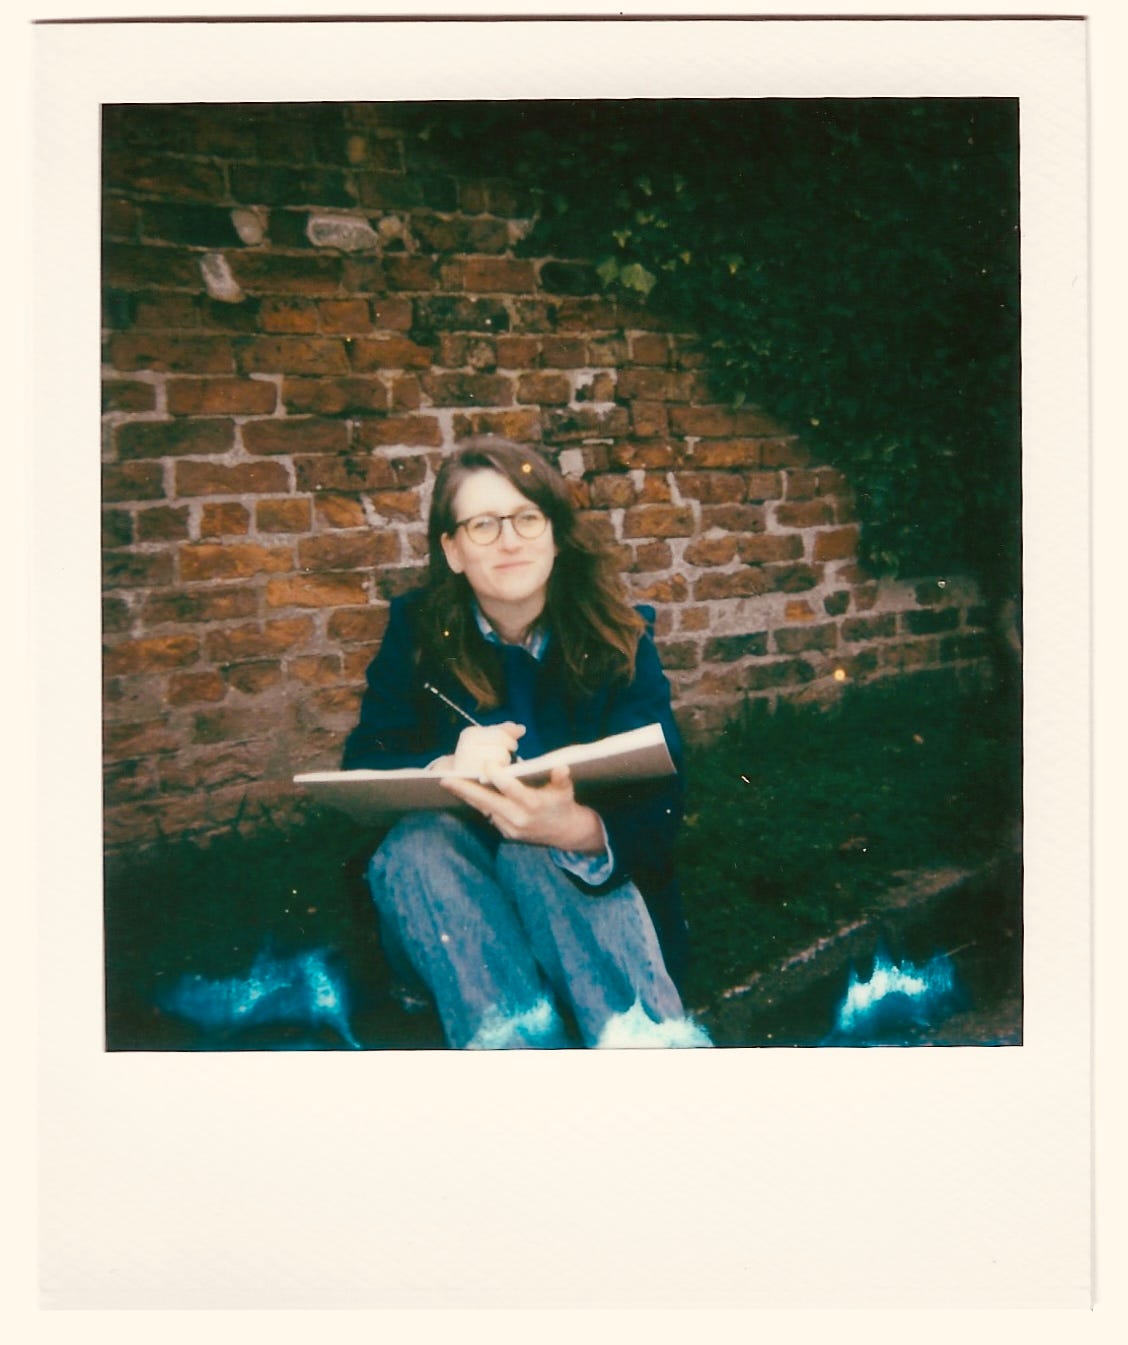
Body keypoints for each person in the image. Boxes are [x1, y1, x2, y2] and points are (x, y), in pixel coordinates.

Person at [342, 437, 710, 1049]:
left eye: (527, 518)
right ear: (453, 550)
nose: (509, 540)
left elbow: (661, 802)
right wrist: (443, 765)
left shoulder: (618, 636)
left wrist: (577, 829)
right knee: (418, 846)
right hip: (454, 901)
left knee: (537, 848)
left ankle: (644, 1055)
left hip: (576, 899)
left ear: (555, 535)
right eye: (483, 525)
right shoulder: (416, 634)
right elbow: (364, 763)